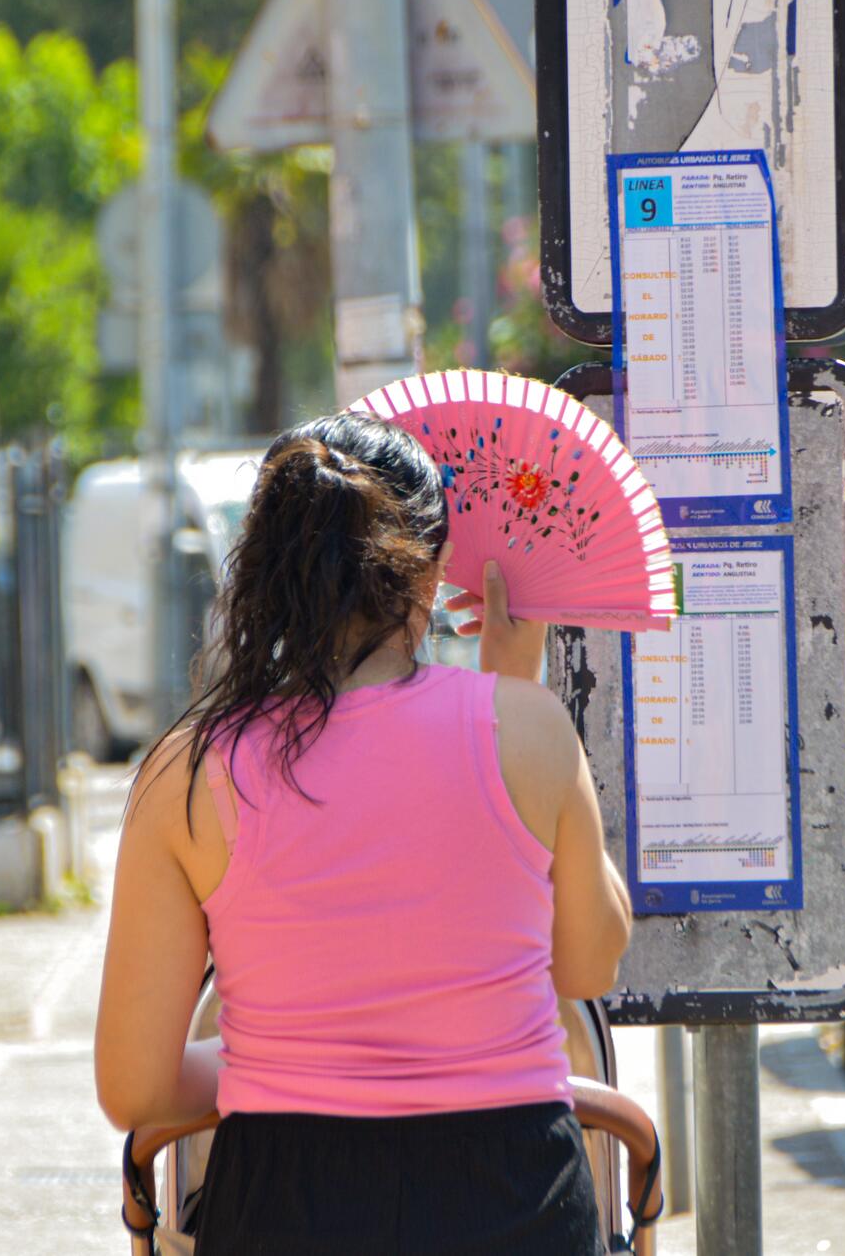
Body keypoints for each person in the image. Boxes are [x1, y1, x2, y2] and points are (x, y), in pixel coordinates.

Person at [94, 412, 635, 1255]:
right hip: (515, 1196)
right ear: (427, 577)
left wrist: (274, 1066)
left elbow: (134, 1087)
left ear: (263, 575)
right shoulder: (528, 730)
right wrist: (510, 688)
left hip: (285, 1204)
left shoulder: (187, 774)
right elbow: (589, 963)